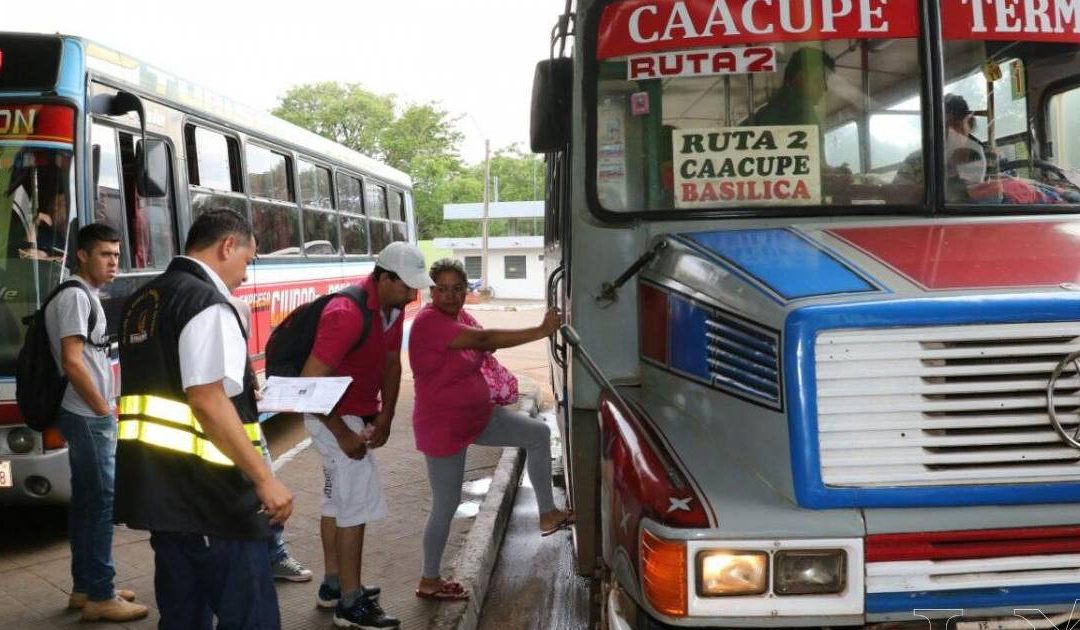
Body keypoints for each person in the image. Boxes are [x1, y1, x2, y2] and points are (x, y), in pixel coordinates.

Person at [113, 208, 293, 629]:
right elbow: (207, 399)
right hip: (215, 499)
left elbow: (173, 385)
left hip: (164, 494)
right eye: (248, 261)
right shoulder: (206, 302)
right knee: (250, 618)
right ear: (227, 246)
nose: (246, 275)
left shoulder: (146, 298)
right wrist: (265, 480)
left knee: (183, 617)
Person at [409, 259, 573, 602]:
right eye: (443, 289)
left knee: (537, 435)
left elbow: (484, 343)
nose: (451, 296)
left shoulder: (460, 317)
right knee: (446, 503)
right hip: (443, 427)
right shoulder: (429, 322)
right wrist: (541, 330)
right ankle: (429, 579)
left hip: (479, 417)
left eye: (458, 288)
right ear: (431, 291)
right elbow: (485, 339)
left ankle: (547, 514)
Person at [299, 241, 431, 629]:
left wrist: (386, 415)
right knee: (354, 508)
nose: (412, 295)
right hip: (332, 417)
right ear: (384, 277)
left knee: (336, 503)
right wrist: (342, 433)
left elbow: (392, 362)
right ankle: (350, 604)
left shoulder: (389, 310)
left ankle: (334, 586)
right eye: (406, 286)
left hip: (352, 415)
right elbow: (309, 384)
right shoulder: (347, 313)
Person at [47, 223, 148, 622]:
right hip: (89, 416)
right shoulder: (75, 297)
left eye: (117, 256)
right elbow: (73, 360)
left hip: (87, 414)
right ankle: (102, 595)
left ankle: (86, 586)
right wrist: (103, 409)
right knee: (102, 505)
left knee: (88, 504)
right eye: (105, 255)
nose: (113, 264)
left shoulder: (83, 295)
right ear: (83, 255)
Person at [227, 295, 314, 584]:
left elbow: (242, 355)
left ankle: (273, 556)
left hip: (245, 413)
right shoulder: (199, 303)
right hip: (224, 418)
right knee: (255, 488)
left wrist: (252, 384)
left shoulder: (235, 306)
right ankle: (262, 558)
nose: (246, 269)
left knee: (260, 481)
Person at [750, 46, 834, 127]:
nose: (825, 88)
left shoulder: (771, 108)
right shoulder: (799, 113)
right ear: (801, 78)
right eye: (819, 81)